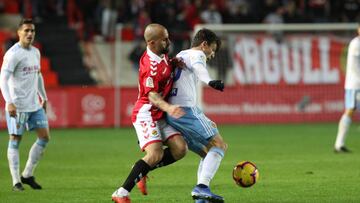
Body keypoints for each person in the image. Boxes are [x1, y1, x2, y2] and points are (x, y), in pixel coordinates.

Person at [111, 23, 188, 203]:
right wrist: (169, 108)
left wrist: (173, 62)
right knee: (156, 154)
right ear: (152, 43)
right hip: (146, 113)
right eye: (164, 39)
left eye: (167, 37)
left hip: (158, 115)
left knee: (180, 149)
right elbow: (152, 95)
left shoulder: (160, 54)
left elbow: (165, 66)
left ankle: (142, 169)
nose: (168, 41)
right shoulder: (150, 67)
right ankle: (121, 193)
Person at [166, 28, 227, 203]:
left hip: (173, 112)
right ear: (204, 44)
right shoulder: (197, 54)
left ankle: (201, 198)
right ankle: (201, 187)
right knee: (220, 145)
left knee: (207, 151)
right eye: (212, 49)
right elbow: (200, 67)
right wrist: (210, 81)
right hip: (185, 111)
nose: (212, 55)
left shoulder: (181, 54)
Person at [0, 18, 50, 191]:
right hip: (18, 105)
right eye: (26, 30)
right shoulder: (13, 54)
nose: (30, 34)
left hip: (34, 105)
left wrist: (43, 97)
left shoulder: (35, 52)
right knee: (15, 139)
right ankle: (16, 182)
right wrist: (9, 102)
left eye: (32, 31)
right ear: (19, 33)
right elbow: (3, 79)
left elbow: (38, 76)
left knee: (44, 137)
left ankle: (27, 174)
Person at [334, 23, 360, 153]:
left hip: (355, 83)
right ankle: (339, 144)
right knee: (350, 110)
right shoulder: (356, 44)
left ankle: (339, 144)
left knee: (350, 110)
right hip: (355, 84)